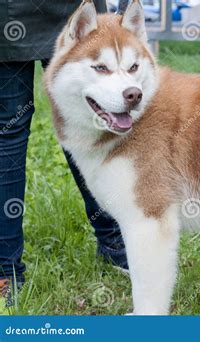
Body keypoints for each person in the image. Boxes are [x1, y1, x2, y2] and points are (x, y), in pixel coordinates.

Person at [0, 0, 128, 306]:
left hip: (76, 12)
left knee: (88, 127)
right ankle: (6, 268)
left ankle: (114, 243)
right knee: (9, 133)